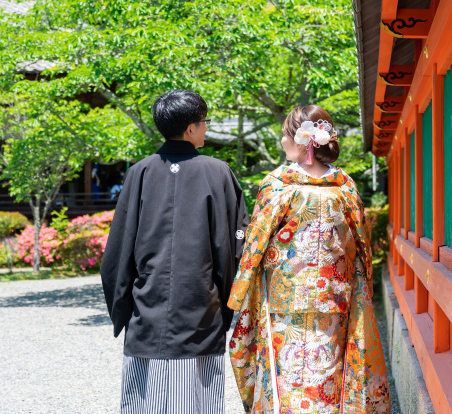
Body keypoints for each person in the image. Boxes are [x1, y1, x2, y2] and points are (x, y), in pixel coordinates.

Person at [228, 105, 390, 414]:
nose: (281, 141)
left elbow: (255, 243)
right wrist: (362, 286)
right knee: (330, 372)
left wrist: (240, 289)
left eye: (286, 135)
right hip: (334, 301)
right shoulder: (346, 188)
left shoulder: (277, 185)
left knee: (286, 374)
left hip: (284, 302)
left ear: (305, 142)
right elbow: (363, 248)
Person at [101, 89, 249, 414]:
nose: (206, 128)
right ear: (191, 129)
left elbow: (116, 253)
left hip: (147, 310)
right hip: (199, 308)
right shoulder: (218, 172)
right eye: (204, 122)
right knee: (197, 401)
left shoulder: (139, 172)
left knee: (145, 402)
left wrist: (123, 310)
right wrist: (225, 307)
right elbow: (232, 249)